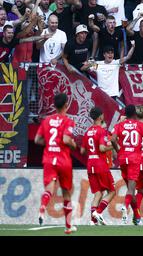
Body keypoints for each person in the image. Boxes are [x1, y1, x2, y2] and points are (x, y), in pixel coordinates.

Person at [34, 93, 77, 234]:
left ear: (54, 105)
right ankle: (68, 227)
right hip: (63, 160)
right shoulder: (68, 121)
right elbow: (65, 139)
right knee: (66, 194)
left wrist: (50, 144)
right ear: (66, 105)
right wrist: (73, 144)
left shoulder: (46, 120)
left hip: (49, 159)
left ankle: (42, 207)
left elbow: (37, 140)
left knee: (49, 190)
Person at [111, 104, 143, 225]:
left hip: (123, 159)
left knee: (130, 190)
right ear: (135, 114)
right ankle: (125, 206)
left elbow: (112, 139)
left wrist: (119, 151)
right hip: (134, 159)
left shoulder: (119, 125)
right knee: (131, 190)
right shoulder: (140, 125)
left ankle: (137, 217)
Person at [80, 107, 116, 226]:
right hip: (100, 164)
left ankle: (93, 220)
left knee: (98, 193)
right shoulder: (101, 131)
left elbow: (82, 150)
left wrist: (92, 153)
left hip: (90, 164)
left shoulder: (88, 131)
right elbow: (102, 148)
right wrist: (114, 146)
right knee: (112, 191)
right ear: (100, 117)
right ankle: (98, 212)